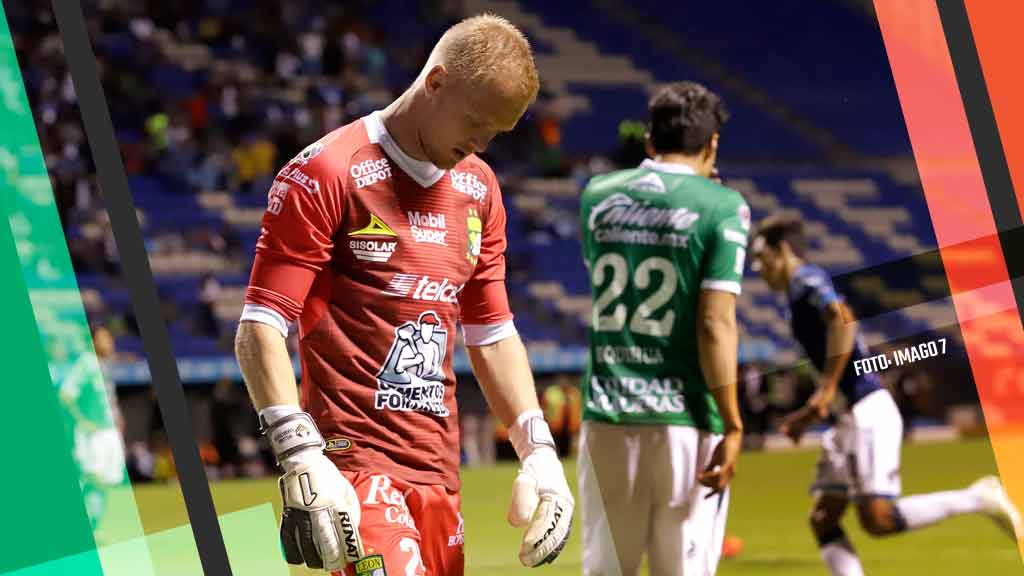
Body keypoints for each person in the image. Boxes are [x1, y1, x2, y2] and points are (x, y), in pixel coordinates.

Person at [234, 14, 573, 575]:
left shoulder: (479, 189)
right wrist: (298, 453)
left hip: (438, 471)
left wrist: (539, 452)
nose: (481, 144)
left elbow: (491, 331)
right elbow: (261, 325)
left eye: (497, 133)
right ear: (434, 82)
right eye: (476, 122)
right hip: (353, 466)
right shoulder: (327, 173)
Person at [751, 214, 1022, 576]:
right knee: (823, 517)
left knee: (879, 520)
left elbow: (842, 318)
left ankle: (979, 498)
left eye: (761, 256)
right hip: (846, 418)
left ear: (782, 249)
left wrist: (828, 387)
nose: (757, 267)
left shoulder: (805, 279)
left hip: (866, 412)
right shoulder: (796, 294)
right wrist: (809, 411)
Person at [577, 81, 747, 575]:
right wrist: (733, 423)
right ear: (712, 144)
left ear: (649, 141)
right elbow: (715, 322)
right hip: (685, 417)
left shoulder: (596, 196)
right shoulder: (723, 207)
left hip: (607, 414)